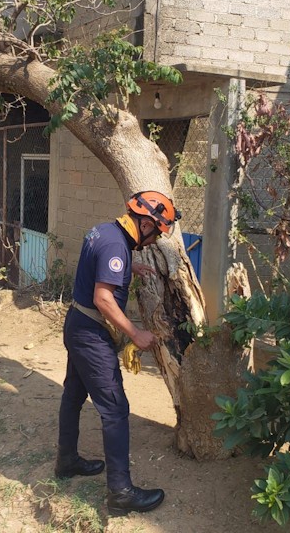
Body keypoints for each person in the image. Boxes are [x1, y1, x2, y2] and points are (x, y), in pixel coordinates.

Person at [55, 190, 181, 516]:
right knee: (115, 410)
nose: (155, 240)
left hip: (77, 323)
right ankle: (121, 493)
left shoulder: (107, 233)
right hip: (91, 333)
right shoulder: (116, 246)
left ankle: (66, 461)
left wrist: (129, 268)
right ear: (144, 221)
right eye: (157, 231)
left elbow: (103, 263)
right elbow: (103, 298)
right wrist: (135, 333)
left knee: (72, 395)